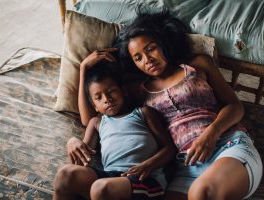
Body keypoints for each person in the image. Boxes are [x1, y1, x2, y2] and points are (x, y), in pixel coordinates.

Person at [112, 10, 263, 200]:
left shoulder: (197, 65)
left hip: (229, 146)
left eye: (151, 48)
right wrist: (85, 68)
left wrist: (211, 134)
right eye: (138, 57)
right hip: (187, 167)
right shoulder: (139, 90)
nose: (147, 59)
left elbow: (235, 106)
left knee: (200, 193)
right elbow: (101, 107)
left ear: (163, 43)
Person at [54, 60, 176, 200]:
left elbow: (169, 148)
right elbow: (82, 159)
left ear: (123, 91)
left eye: (111, 91)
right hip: (110, 177)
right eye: (98, 98)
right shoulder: (96, 122)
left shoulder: (143, 113)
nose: (107, 99)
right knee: (65, 175)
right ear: (94, 106)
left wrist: (148, 165)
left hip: (144, 179)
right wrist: (73, 141)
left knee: (100, 189)